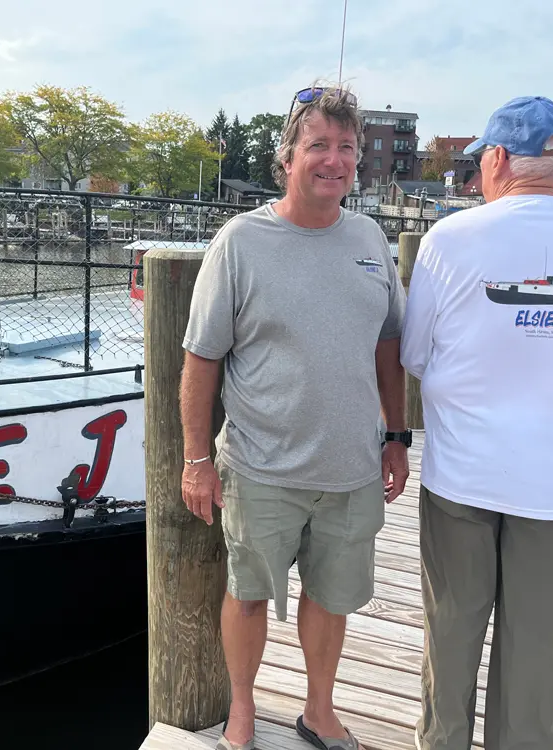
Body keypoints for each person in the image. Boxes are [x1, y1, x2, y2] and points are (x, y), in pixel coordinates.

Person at [400, 96, 553, 750]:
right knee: (536, 648)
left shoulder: (448, 240)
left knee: (450, 634)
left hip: (461, 483)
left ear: (500, 158)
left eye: (481, 158)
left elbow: (414, 357)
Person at [180, 83, 410, 750]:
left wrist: (396, 436)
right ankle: (244, 708)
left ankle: (319, 708)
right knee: (247, 591)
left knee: (332, 598)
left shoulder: (370, 238)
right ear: (287, 158)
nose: (333, 159)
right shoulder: (240, 242)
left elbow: (388, 345)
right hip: (260, 467)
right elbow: (200, 360)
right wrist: (197, 460)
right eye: (318, 145)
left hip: (352, 465)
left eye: (346, 147)